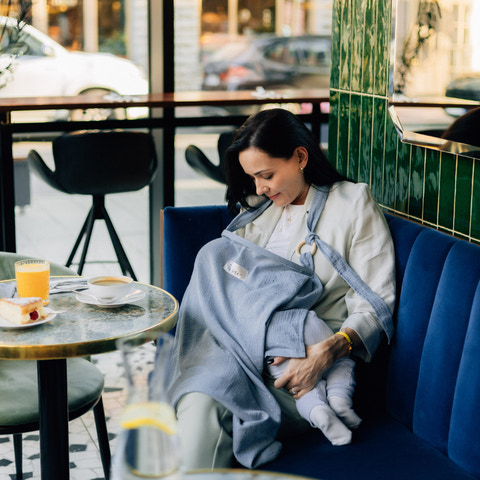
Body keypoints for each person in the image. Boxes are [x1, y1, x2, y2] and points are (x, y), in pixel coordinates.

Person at [167, 108, 396, 470]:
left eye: (267, 175)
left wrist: (326, 353)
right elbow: (229, 290)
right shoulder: (259, 213)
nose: (259, 188)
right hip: (240, 352)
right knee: (197, 393)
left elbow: (375, 301)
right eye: (252, 178)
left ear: (300, 157)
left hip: (302, 371)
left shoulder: (351, 204)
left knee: (205, 406)